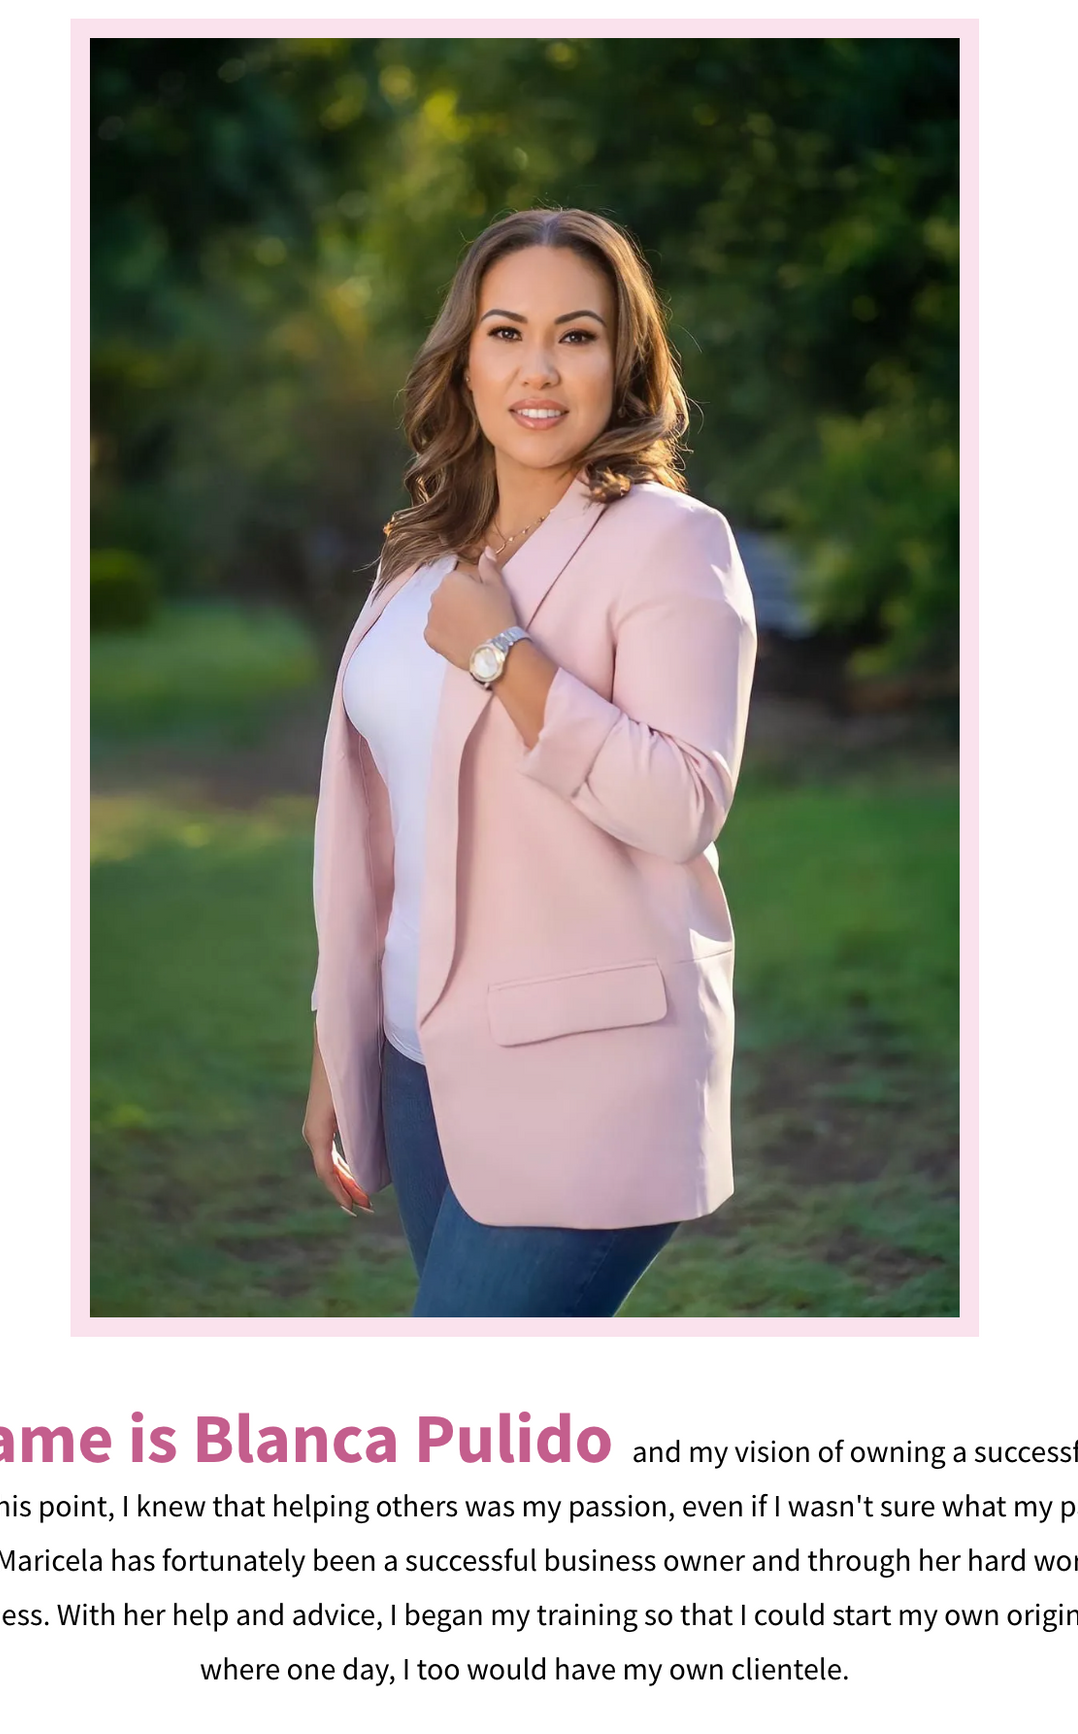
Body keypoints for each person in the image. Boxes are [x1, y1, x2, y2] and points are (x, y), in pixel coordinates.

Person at [302, 208, 757, 1318]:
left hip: (589, 1070)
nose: (538, 369)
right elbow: (383, 828)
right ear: (463, 362)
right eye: (506, 333)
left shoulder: (671, 541)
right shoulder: (418, 553)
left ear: (625, 361)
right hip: (420, 1060)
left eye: (579, 336)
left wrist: (506, 657)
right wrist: (340, 1039)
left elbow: (681, 803)